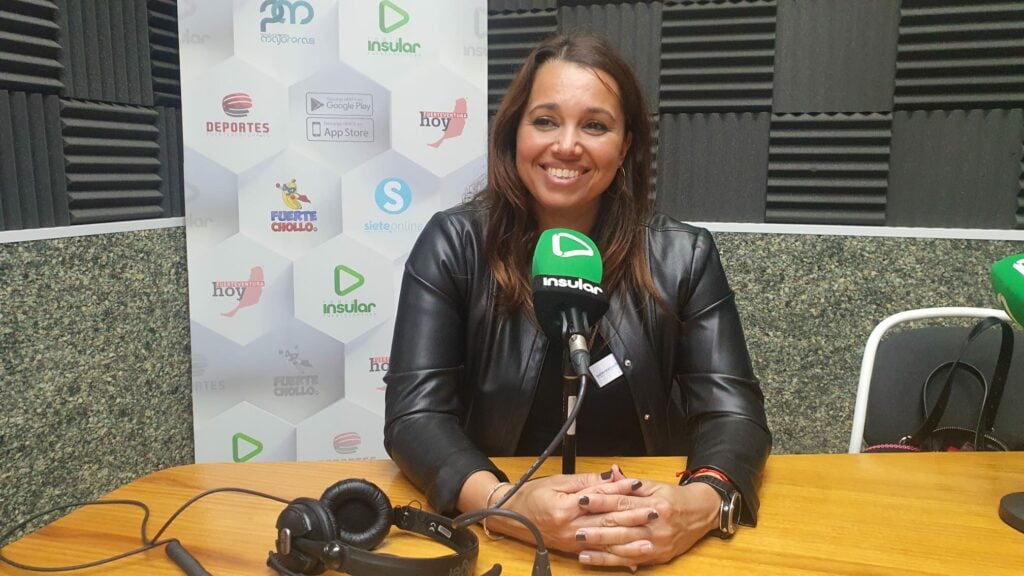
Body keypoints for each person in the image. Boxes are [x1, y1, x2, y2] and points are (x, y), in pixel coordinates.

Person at [384, 34, 771, 570]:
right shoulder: (454, 244)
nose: (566, 146)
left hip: (644, 529)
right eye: (545, 121)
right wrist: (505, 505)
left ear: (625, 145)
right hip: (503, 531)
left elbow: (734, 413)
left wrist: (700, 504)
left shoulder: (684, 255)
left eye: (595, 126)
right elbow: (415, 416)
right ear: (514, 133)